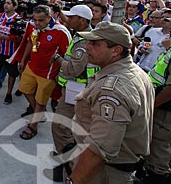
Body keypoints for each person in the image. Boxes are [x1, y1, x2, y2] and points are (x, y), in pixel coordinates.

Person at [67, 22, 154, 184]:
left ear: (116, 50)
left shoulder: (112, 89)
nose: (87, 47)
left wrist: (74, 181)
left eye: (95, 44)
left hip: (103, 171)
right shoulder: (135, 72)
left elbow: (100, 149)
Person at [48, 5, 96, 181]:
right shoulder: (79, 35)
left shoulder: (84, 41)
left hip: (77, 92)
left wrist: (58, 59)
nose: (68, 19)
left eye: (72, 17)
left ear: (83, 20)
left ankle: (69, 164)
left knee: (61, 127)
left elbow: (74, 69)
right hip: (70, 90)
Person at [17, 5, 71, 140]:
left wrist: (62, 72)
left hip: (48, 74)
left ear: (49, 18)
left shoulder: (61, 31)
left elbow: (68, 55)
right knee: (25, 90)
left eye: (40, 20)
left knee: (41, 102)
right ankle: (39, 113)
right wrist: (23, 60)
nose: (36, 23)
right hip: (31, 67)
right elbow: (31, 42)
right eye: (35, 20)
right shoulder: (34, 27)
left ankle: (33, 127)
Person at [142, 43, 171, 183]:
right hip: (161, 105)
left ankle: (157, 176)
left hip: (164, 109)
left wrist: (151, 106)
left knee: (159, 145)